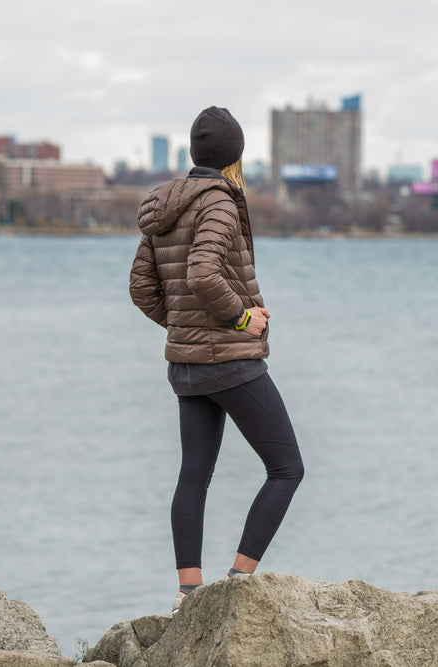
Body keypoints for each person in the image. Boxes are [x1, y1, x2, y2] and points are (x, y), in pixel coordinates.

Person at [129, 106, 304, 613]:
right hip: (230, 361)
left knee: (193, 476)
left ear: (193, 152)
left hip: (187, 366)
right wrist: (241, 319)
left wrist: (184, 328)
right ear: (236, 156)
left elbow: (142, 287)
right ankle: (236, 586)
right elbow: (205, 273)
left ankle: (188, 594)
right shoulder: (220, 202)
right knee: (286, 468)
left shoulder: (163, 204)